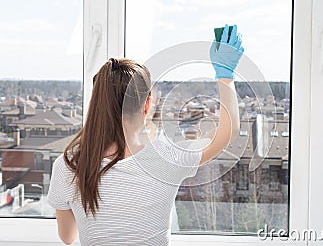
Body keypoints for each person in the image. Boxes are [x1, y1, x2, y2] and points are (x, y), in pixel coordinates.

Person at [47, 24, 244, 245]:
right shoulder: (167, 157)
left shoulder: (70, 164)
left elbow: (68, 237)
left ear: (97, 102)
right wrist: (225, 75)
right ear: (147, 103)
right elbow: (228, 132)